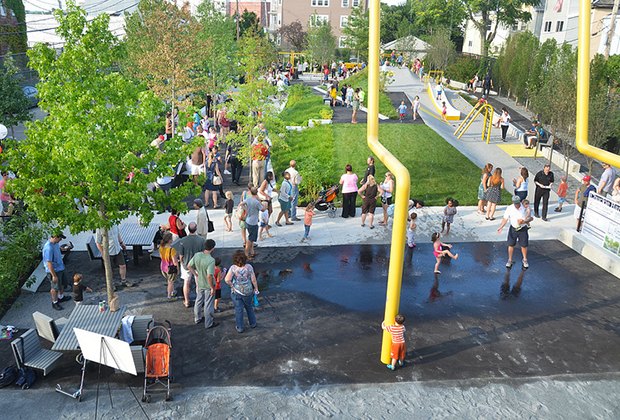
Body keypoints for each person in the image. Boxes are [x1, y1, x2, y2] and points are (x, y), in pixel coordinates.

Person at [224, 251, 259, 333]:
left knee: (238, 309)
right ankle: (253, 323)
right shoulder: (249, 267)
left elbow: (227, 279)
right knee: (249, 307)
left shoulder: (233, 268)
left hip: (237, 291)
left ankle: (240, 327)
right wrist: (256, 289)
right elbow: (253, 279)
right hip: (248, 291)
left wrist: (232, 285)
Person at [173, 221, 205, 308]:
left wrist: (182, 264)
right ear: (196, 229)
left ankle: (187, 301)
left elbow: (181, 255)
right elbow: (203, 253)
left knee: (186, 283)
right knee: (199, 283)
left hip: (186, 265)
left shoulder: (183, 241)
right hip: (198, 265)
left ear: (188, 229)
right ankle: (200, 301)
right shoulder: (201, 240)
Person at [188, 239, 218, 329]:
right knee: (208, 304)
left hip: (200, 282)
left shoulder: (197, 255)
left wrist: (195, 274)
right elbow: (209, 276)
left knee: (198, 300)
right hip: (208, 285)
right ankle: (208, 323)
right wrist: (212, 287)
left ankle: (197, 318)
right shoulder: (211, 260)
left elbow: (189, 266)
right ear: (212, 248)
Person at [497, 195, 533, 269]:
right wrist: (501, 227)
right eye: (515, 203)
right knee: (511, 244)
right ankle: (509, 260)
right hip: (513, 228)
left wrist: (524, 221)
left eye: (518, 203)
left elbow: (531, 218)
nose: (517, 205)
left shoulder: (525, 207)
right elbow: (505, 218)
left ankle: (525, 260)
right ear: (513, 202)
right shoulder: (509, 208)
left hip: (523, 229)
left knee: (524, 245)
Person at [43, 231, 71, 310]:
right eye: (60, 238)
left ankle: (61, 297)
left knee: (62, 284)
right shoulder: (48, 248)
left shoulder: (55, 244)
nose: (61, 239)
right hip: (54, 271)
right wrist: (54, 275)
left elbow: (57, 250)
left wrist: (62, 249)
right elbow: (49, 263)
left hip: (61, 268)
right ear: (55, 237)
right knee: (54, 288)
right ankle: (54, 302)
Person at [244, 187, 264, 259]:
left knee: (252, 238)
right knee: (250, 238)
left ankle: (252, 252)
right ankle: (246, 253)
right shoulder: (256, 202)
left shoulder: (248, 199)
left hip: (248, 220)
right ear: (257, 193)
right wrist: (261, 202)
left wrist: (245, 209)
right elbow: (263, 209)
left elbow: (241, 203)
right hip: (253, 222)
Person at [159, 232, 179, 301]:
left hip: (163, 266)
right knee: (171, 282)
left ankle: (172, 291)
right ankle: (169, 296)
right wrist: (178, 268)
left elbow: (161, 256)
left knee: (169, 280)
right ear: (170, 240)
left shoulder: (161, 247)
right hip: (170, 268)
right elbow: (175, 261)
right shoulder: (172, 250)